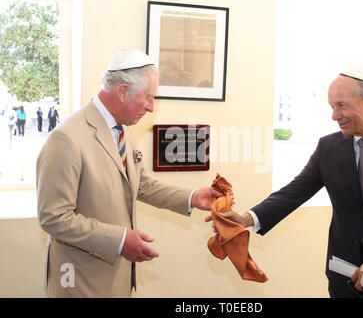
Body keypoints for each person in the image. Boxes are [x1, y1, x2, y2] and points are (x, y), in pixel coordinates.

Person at [207, 64, 363, 298]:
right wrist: (247, 218)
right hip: (346, 280)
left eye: (342, 106)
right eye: (332, 106)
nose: (334, 116)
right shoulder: (329, 147)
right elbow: (295, 191)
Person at [36, 48, 223, 297]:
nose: (151, 107)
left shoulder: (120, 131)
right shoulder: (66, 138)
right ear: (123, 91)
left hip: (116, 278)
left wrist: (191, 198)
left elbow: (140, 184)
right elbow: (54, 217)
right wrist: (120, 240)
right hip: (80, 281)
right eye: (147, 97)